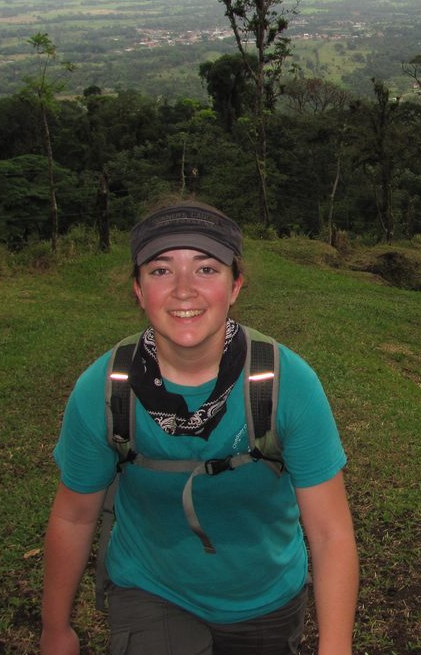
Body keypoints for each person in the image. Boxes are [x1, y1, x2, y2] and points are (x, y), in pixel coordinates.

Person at [40, 200, 358, 655]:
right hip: (151, 589)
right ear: (137, 287)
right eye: (161, 270)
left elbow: (330, 533)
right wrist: (55, 628)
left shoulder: (286, 384)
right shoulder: (105, 389)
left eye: (206, 269)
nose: (184, 290)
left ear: (235, 286)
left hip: (266, 598)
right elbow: (74, 515)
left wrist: (335, 647)